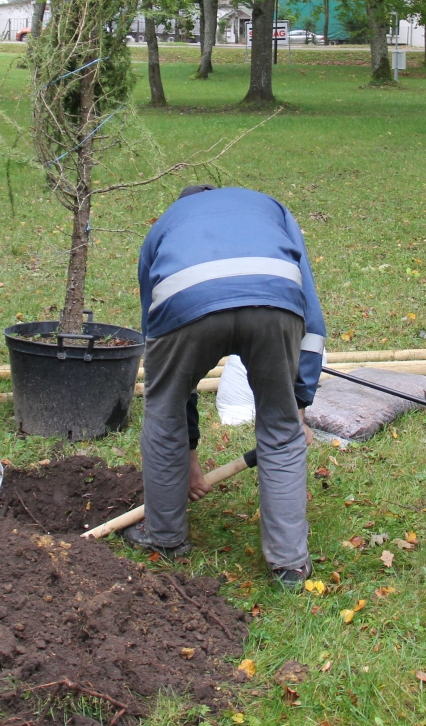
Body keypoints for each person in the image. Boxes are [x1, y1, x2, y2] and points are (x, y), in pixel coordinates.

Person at [129, 185, 325, 587]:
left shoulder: (164, 226)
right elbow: (313, 317)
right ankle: (289, 565)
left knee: (163, 410)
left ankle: (164, 537)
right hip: (274, 299)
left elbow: (159, 348)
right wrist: (298, 404)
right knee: (281, 429)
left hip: (185, 302)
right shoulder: (272, 207)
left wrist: (187, 453)